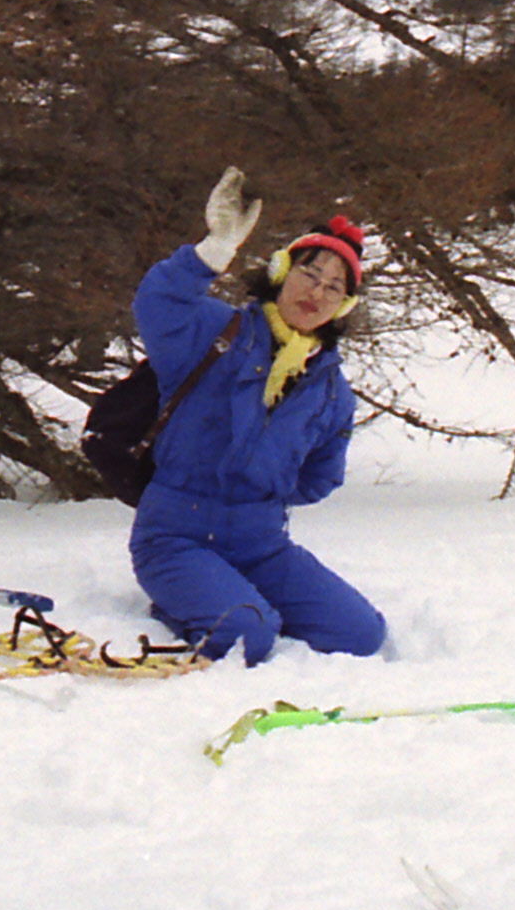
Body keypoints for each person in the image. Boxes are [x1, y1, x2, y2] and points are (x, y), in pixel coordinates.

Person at [127, 167, 386, 665]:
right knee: (249, 635)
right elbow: (158, 301)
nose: (316, 293)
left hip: (261, 545)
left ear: (343, 306)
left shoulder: (331, 391)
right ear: (281, 273)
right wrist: (216, 248)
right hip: (174, 538)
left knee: (361, 635)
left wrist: (258, 494)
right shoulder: (213, 332)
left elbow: (319, 478)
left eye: (334, 287)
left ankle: (235, 595)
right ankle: (198, 602)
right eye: (309, 274)